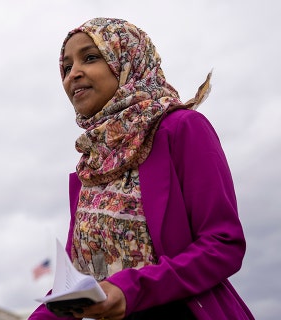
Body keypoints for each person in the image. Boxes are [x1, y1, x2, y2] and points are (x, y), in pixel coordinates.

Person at [28, 18, 254, 320]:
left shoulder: (182, 128)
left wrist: (130, 290)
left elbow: (223, 244)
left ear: (127, 60)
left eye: (91, 57)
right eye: (66, 67)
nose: (73, 75)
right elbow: (78, 282)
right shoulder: (91, 167)